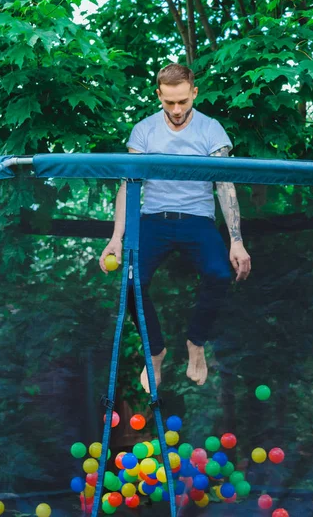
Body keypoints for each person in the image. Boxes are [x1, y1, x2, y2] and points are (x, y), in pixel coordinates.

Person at [99, 64, 251, 393]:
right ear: (159, 96)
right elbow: (128, 185)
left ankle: (196, 343)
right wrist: (116, 237)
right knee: (130, 283)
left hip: (197, 219)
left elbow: (225, 186)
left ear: (194, 93)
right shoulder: (143, 131)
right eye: (169, 102)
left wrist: (236, 241)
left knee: (220, 275)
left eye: (183, 101)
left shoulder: (212, 130)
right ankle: (155, 352)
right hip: (154, 218)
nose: (177, 110)